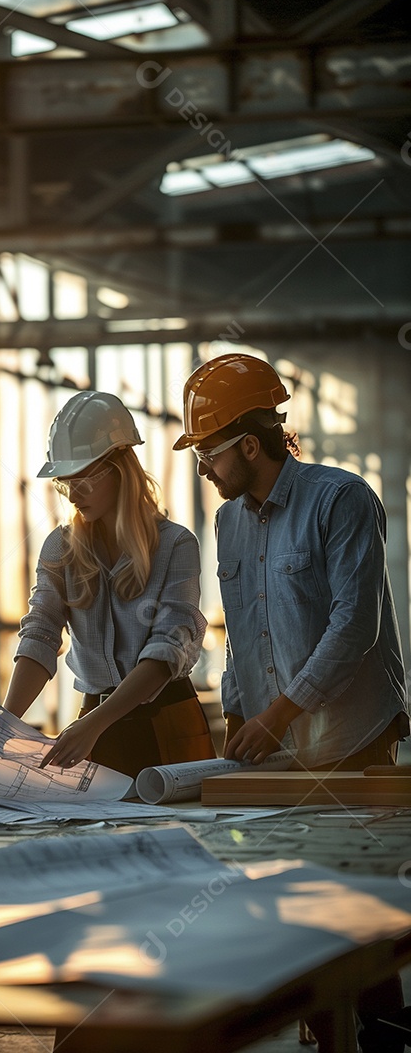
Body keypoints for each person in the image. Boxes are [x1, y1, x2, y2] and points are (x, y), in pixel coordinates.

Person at [173, 352, 409, 1053]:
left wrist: (282, 713)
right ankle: (324, 1029)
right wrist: (241, 713)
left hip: (355, 737)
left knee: (357, 904)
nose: (205, 467)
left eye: (210, 452)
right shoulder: (229, 524)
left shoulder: (341, 500)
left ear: (250, 444)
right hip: (278, 746)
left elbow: (354, 627)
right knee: (294, 902)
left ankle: (381, 1036)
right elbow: (242, 625)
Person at [3, 390, 215, 778]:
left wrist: (95, 723)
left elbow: (168, 648)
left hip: (167, 722)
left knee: (182, 831)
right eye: (66, 482)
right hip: (93, 727)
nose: (74, 493)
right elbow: (41, 632)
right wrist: (1, 724)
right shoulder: (61, 547)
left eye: (84, 478)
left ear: (120, 469)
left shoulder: (175, 545)